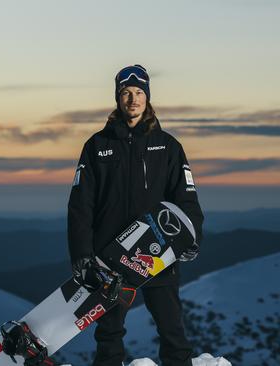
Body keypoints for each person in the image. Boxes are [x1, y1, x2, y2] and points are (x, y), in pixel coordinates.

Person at [67, 64, 204, 366]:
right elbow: (80, 205)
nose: (133, 99)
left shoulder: (168, 146)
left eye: (139, 93)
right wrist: (82, 254)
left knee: (172, 333)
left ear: (148, 97)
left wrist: (191, 234)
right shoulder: (97, 146)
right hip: (111, 257)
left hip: (157, 253)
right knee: (109, 335)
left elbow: (186, 196)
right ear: (117, 98)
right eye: (126, 93)